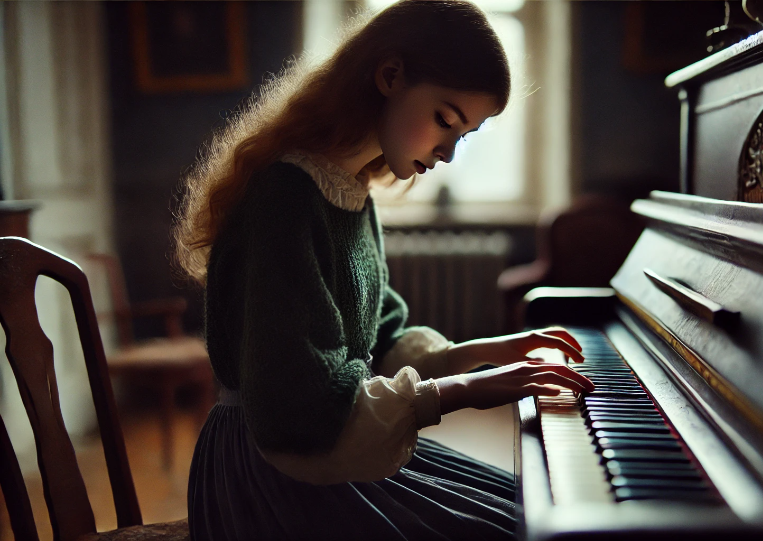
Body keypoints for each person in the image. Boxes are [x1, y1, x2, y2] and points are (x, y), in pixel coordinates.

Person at [174, 1, 593, 539]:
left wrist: (492, 350)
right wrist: (469, 389)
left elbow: (381, 336)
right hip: (270, 473)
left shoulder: (351, 191)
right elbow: (296, 408)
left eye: (463, 135)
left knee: (529, 510)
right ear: (390, 75)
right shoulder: (285, 197)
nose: (447, 154)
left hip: (317, 443)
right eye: (445, 119)